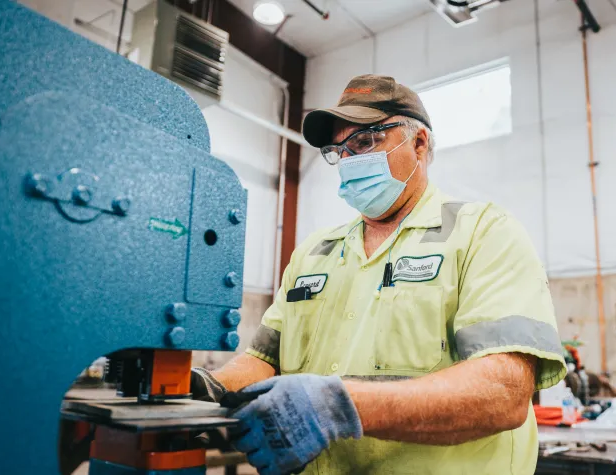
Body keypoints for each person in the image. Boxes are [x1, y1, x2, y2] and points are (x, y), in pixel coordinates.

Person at [192, 74, 567, 475]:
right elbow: (265, 360)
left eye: (366, 142)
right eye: (339, 150)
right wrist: (210, 390)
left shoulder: (483, 232)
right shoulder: (314, 253)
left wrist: (338, 406)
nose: (350, 160)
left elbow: (503, 391)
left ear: (419, 144)